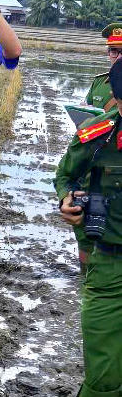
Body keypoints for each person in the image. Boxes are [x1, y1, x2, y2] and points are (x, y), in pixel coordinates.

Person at [54, 60, 122, 397]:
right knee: (101, 368)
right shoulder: (97, 135)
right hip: (109, 266)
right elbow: (65, 176)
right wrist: (67, 200)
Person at [66, 24, 122, 266]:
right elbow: (87, 115)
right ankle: (87, 274)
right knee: (88, 228)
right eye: (113, 51)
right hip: (95, 167)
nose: (117, 57)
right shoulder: (99, 84)